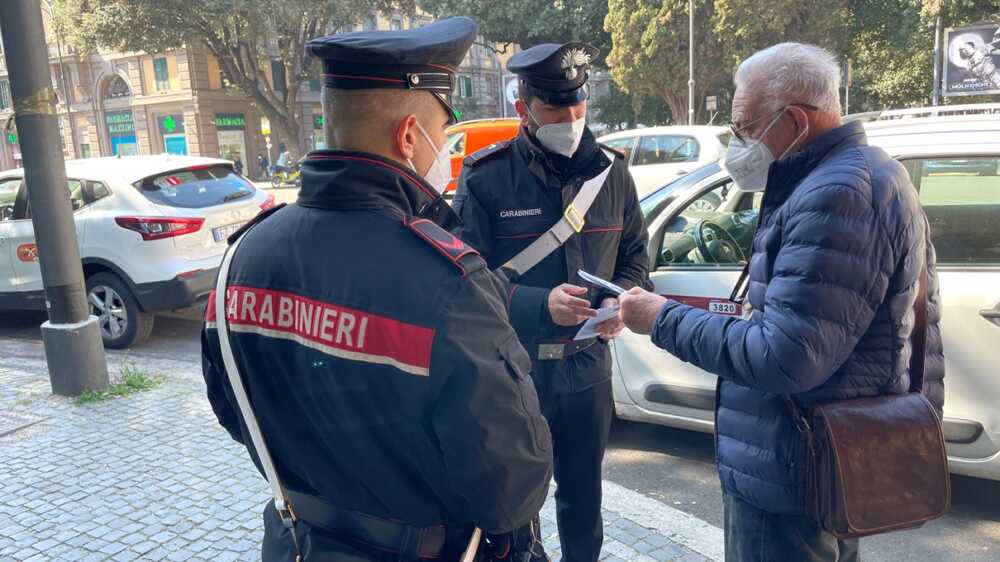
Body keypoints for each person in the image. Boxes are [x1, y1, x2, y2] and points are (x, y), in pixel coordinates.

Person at [201, 17, 553, 562]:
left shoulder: (242, 257)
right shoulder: (447, 282)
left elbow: (233, 411)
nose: (447, 150)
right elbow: (512, 488)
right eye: (444, 133)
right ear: (409, 136)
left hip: (299, 543)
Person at [617, 43, 945, 562]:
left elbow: (785, 357)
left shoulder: (836, 194)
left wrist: (662, 318)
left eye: (744, 127)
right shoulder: (870, 172)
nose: (736, 144)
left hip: (794, 470)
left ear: (793, 120)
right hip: (822, 457)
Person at [452, 42, 649, 562]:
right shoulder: (486, 175)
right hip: (514, 376)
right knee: (519, 504)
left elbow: (634, 259)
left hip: (587, 370)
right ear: (524, 109)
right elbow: (465, 285)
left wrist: (620, 305)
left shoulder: (612, 172)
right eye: (555, 109)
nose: (571, 118)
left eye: (578, 106)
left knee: (584, 502)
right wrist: (541, 305)